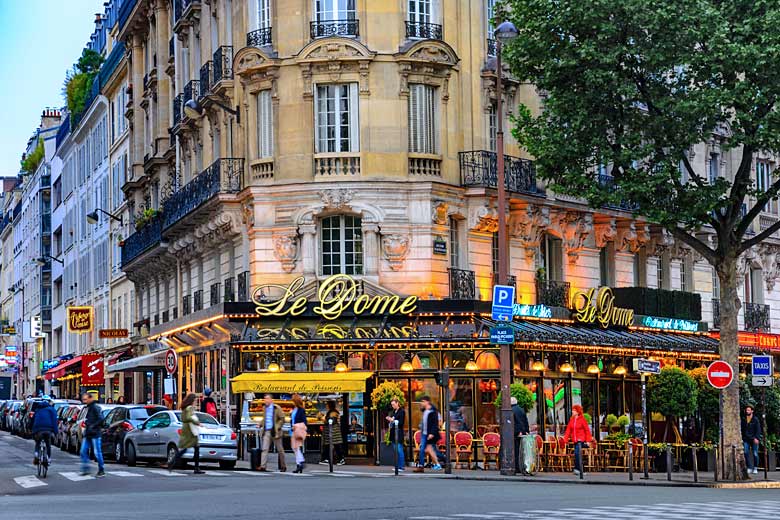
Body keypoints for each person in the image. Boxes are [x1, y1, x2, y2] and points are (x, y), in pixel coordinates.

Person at [169, 393, 204, 474]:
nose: (196, 402)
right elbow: (189, 418)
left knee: (192, 448)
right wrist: (197, 422)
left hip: (186, 429)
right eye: (195, 400)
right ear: (192, 400)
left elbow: (184, 418)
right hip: (190, 430)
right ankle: (196, 467)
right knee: (190, 448)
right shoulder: (190, 408)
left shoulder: (185, 408)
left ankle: (196, 467)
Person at [80, 392, 105, 477]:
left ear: (90, 399)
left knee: (97, 452)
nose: (84, 401)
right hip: (89, 433)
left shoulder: (95, 407)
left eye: (86, 399)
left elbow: (101, 418)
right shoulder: (89, 408)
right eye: (83, 399)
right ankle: (86, 468)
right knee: (83, 451)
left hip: (95, 433)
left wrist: (92, 426)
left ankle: (101, 470)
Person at [563, 404, 593, 476]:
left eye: (574, 410)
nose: (572, 412)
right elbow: (568, 430)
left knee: (577, 453)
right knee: (577, 454)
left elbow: (587, 430)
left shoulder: (582, 420)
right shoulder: (572, 420)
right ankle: (579, 469)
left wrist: (588, 441)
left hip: (581, 440)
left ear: (577, 412)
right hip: (575, 440)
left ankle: (578, 469)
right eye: (573, 410)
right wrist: (565, 440)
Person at [259, 394, 286, 472]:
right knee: (264, 449)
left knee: (280, 450)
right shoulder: (264, 408)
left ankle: (283, 466)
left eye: (267, 399)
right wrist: (260, 424)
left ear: (271, 400)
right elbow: (265, 419)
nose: (265, 401)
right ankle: (263, 466)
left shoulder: (277, 408)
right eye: (265, 399)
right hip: (267, 431)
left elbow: (282, 418)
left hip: (275, 431)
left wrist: (278, 426)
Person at [414, 396, 442, 473]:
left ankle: (442, 461)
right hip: (424, 433)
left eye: (423, 401)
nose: (421, 403)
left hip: (429, 434)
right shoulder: (425, 410)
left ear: (427, 402)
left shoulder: (433, 411)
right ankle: (424, 465)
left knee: (428, 449)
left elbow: (435, 423)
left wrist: (432, 433)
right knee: (426, 449)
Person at [32, 396, 57, 466]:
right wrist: (55, 432)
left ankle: (36, 454)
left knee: (38, 442)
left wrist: (32, 431)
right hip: (48, 429)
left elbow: (33, 421)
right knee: (48, 444)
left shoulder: (37, 410)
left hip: (38, 429)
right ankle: (48, 459)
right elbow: (54, 421)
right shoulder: (52, 410)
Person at [321, 400, 345, 465]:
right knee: (332, 445)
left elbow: (331, 421)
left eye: (327, 404)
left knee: (335, 445)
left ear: (329, 405)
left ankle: (340, 459)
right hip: (332, 432)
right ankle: (328, 459)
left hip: (333, 432)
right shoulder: (332, 412)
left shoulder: (333, 412)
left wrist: (323, 419)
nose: (326, 406)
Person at [512, 396, 530, 474]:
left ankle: (516, 467)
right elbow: (525, 421)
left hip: (515, 433)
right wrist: (526, 431)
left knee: (515, 450)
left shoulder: (511, 410)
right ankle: (521, 466)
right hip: (522, 432)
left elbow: (513, 422)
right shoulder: (521, 410)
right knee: (521, 450)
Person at [386, 398, 405, 472]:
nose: (393, 406)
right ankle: (398, 466)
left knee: (399, 449)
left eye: (393, 404)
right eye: (392, 405)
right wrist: (390, 421)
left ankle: (401, 466)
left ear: (397, 403)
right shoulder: (394, 411)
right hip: (393, 432)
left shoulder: (401, 411)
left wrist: (392, 420)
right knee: (396, 450)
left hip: (398, 433)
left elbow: (401, 423)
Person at [742, 405, 762, 475]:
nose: (747, 411)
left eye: (748, 410)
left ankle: (755, 467)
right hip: (746, 439)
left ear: (752, 411)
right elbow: (742, 429)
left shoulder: (755, 419)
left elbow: (758, 429)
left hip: (754, 439)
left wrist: (757, 438)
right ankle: (749, 467)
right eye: (746, 410)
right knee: (745, 452)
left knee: (755, 453)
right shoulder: (744, 419)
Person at [291, 393, 308, 473]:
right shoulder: (294, 409)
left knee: (296, 447)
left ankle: (301, 462)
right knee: (295, 448)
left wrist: (297, 426)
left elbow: (304, 421)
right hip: (293, 430)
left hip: (298, 430)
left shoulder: (301, 410)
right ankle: (299, 464)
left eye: (293, 400)